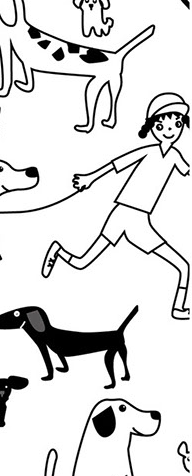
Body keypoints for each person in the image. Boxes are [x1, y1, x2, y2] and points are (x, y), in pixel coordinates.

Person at [44, 93, 192, 319]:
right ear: (153, 127)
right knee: (83, 262)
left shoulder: (175, 156)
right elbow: (116, 164)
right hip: (123, 214)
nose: (170, 130)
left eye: (177, 124)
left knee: (183, 267)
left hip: (139, 221)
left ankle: (178, 309)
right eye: (162, 125)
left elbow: (187, 171)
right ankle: (58, 251)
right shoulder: (148, 151)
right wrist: (89, 178)